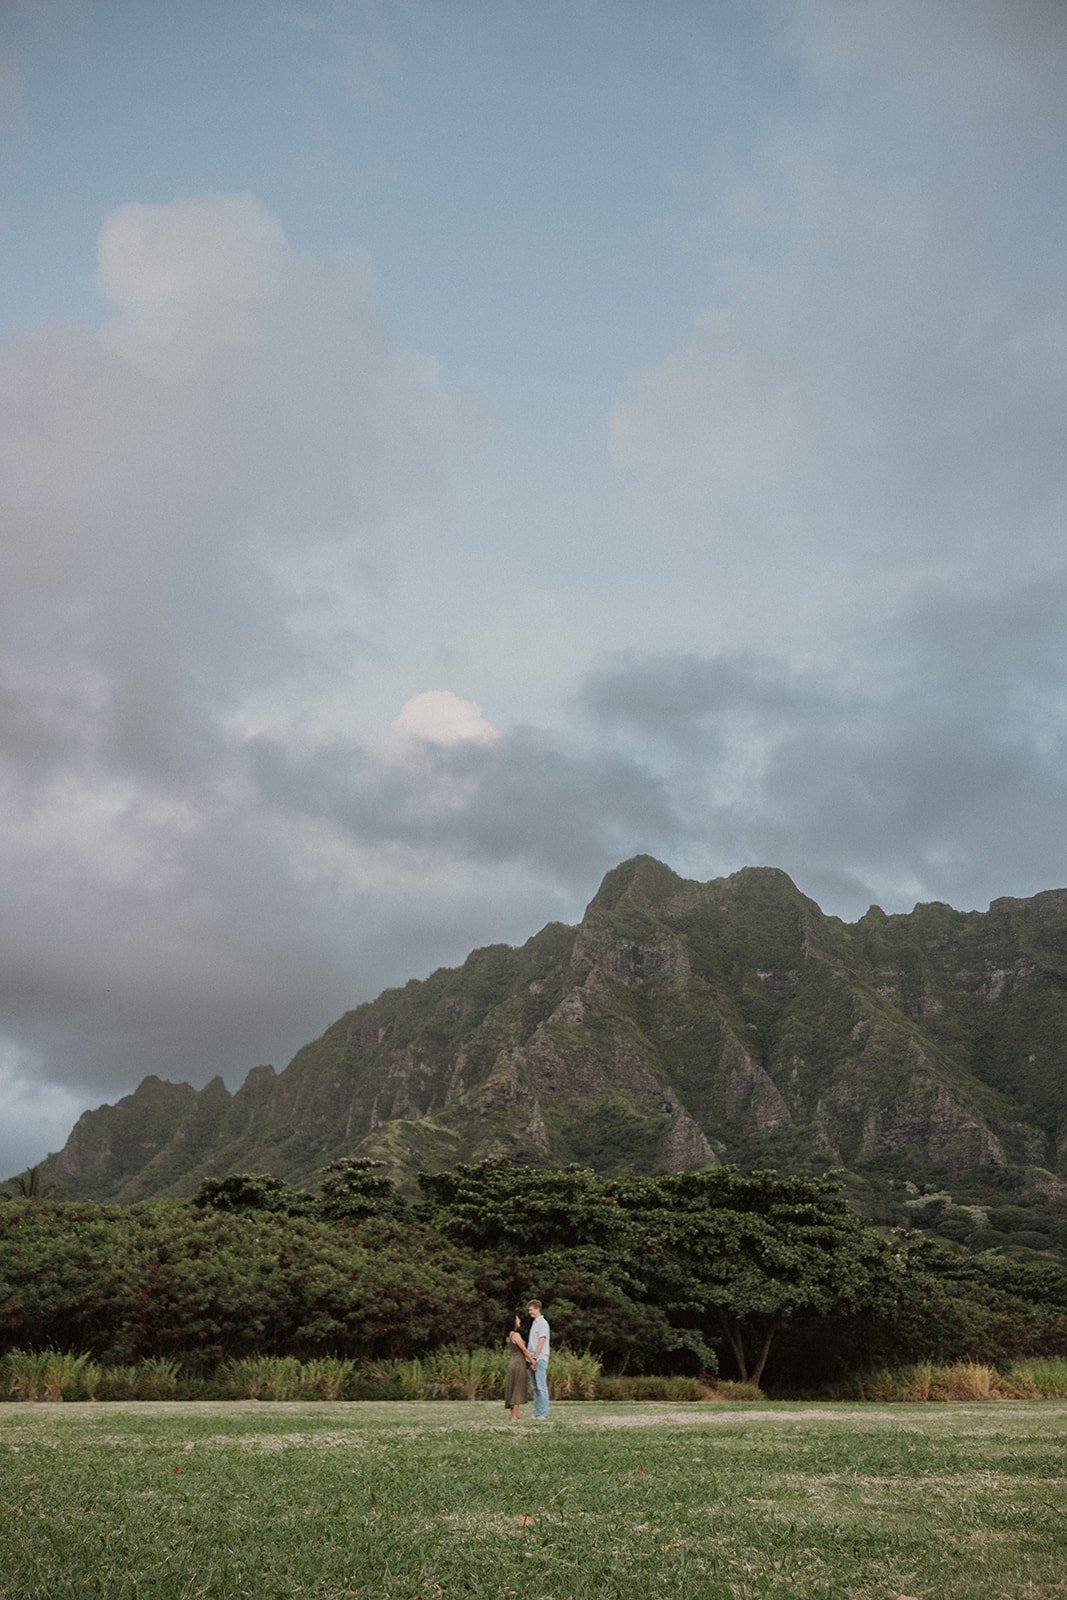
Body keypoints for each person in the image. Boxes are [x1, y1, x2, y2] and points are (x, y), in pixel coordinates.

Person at [503, 1312, 534, 1421]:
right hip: (518, 1363)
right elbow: (524, 1350)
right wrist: (532, 1361)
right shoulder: (516, 1335)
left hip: (513, 1362)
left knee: (513, 1387)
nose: (519, 1321)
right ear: (513, 1322)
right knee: (518, 1388)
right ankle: (514, 1416)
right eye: (517, 1319)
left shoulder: (508, 1336)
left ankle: (514, 1415)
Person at [526, 1298, 550, 1420]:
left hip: (539, 1359)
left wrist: (535, 1358)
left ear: (537, 1308)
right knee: (535, 1388)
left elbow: (541, 1341)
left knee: (541, 1387)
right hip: (531, 1358)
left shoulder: (542, 1323)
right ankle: (536, 1412)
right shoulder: (534, 1323)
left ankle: (543, 1413)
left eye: (531, 1310)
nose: (529, 1312)